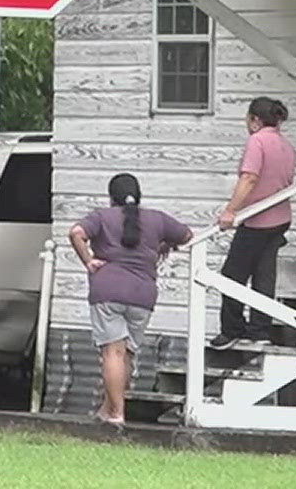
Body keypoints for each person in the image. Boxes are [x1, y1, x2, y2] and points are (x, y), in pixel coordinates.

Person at [69, 174, 192, 427]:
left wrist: (88, 260)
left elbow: (76, 232)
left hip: (108, 290)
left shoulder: (102, 216)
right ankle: (107, 409)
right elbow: (188, 235)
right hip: (143, 294)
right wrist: (164, 244)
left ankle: (116, 414)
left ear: (111, 197)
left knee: (112, 353)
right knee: (126, 355)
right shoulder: (157, 218)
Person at [212, 96, 296, 350]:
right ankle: (260, 329)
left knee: (231, 276)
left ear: (255, 120)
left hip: (257, 221)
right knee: (263, 276)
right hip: (281, 219)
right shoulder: (287, 146)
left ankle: (232, 330)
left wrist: (230, 211)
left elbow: (250, 179)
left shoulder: (257, 141)